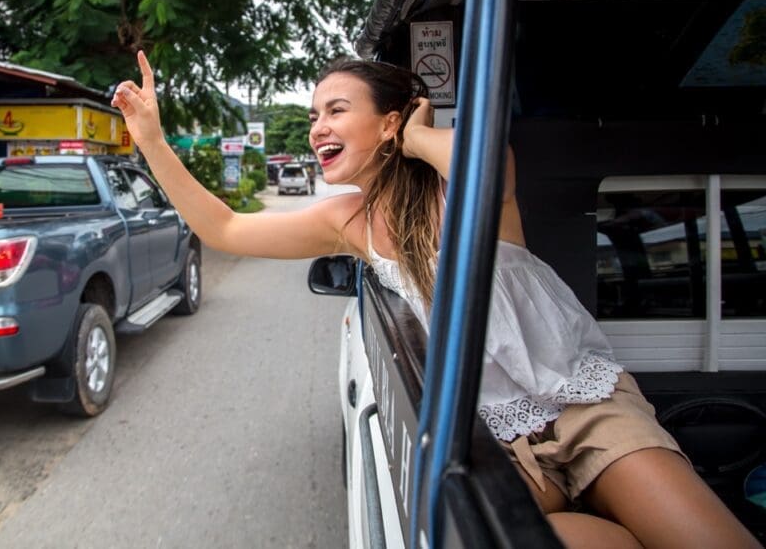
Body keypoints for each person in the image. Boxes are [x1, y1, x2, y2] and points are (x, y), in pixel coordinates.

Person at [113, 52, 758, 548]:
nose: (318, 128)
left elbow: (489, 168)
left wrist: (418, 138)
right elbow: (225, 228)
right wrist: (152, 141)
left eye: (335, 110)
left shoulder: (461, 189)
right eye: (313, 116)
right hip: (493, 440)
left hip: (583, 405)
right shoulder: (349, 221)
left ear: (389, 121)